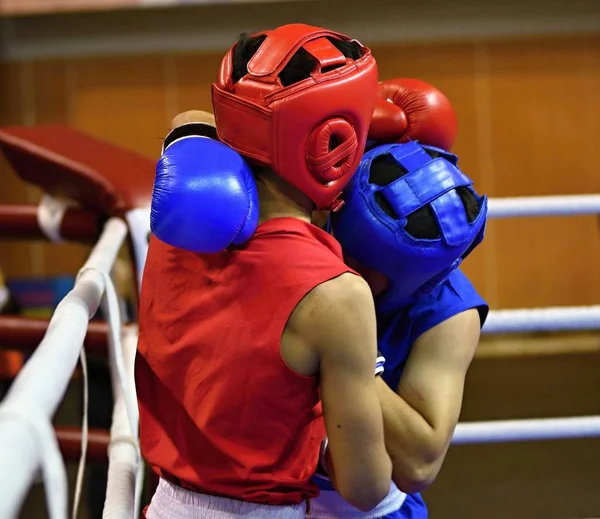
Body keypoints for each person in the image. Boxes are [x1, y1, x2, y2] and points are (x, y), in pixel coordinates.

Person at [137, 24, 391, 519]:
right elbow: (365, 486)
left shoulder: (175, 219)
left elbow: (189, 122)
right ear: (334, 140)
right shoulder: (334, 295)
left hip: (164, 504)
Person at [308, 141, 489, 518]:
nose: (337, 269)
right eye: (337, 246)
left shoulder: (447, 313)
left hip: (367, 506)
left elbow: (420, 464)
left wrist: (347, 351)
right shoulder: (299, 228)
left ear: (413, 283)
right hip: (267, 493)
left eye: (358, 267)